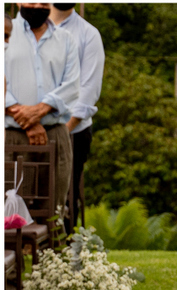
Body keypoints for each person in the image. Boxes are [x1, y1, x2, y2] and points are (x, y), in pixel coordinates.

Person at [5, 2, 79, 222]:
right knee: (11, 208)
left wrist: (39, 111)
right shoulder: (5, 33)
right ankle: (13, 255)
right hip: (12, 136)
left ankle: (53, 255)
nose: (37, 5)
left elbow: (73, 86)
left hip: (55, 134)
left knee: (54, 209)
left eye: (43, 1)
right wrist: (26, 119)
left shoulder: (66, 39)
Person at [50, 3, 104, 232]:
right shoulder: (23, 29)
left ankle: (64, 256)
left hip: (73, 131)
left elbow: (88, 93)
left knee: (66, 197)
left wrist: (62, 130)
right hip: (26, 129)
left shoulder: (88, 35)